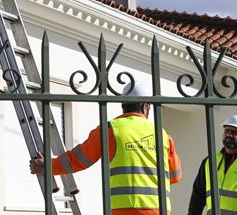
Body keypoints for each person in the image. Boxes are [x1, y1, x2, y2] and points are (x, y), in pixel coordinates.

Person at [29, 82, 183, 214]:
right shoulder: (163, 135)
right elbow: (176, 176)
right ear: (145, 107)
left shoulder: (110, 129)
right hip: (160, 210)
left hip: (123, 210)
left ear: (123, 106)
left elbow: (78, 159)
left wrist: (47, 167)